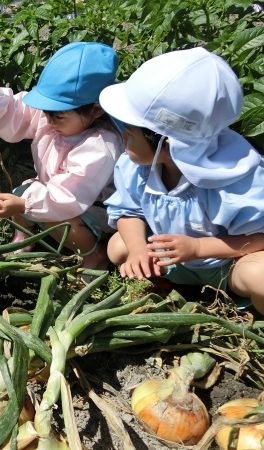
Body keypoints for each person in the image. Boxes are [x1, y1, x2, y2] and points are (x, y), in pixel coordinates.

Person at [100, 47, 264, 313]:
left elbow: (259, 237)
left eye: (128, 132)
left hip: (225, 266)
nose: (123, 138)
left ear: (166, 144)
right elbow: (129, 213)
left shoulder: (233, 178)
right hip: (172, 259)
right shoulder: (136, 167)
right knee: (118, 246)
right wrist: (139, 248)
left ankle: (254, 316)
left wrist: (199, 247)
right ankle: (174, 285)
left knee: (261, 275)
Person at [0, 42, 123, 269]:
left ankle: (93, 256)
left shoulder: (101, 145)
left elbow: (70, 195)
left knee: (59, 221)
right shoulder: (56, 115)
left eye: (57, 116)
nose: (47, 120)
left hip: (89, 206)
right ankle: (24, 236)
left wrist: (24, 204)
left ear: (96, 110)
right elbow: (20, 111)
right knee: (21, 194)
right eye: (46, 112)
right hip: (53, 193)